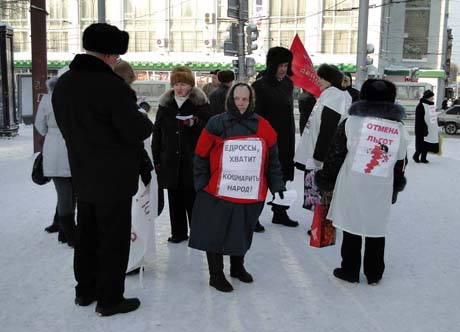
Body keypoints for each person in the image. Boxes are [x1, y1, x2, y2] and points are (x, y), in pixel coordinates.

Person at [52, 23, 153, 316]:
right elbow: (135, 130)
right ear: (109, 54)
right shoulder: (112, 87)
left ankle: (85, 291)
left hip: (82, 173)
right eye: (117, 56)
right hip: (114, 178)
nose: (118, 60)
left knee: (87, 236)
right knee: (113, 239)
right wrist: (142, 115)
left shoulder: (66, 83)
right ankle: (110, 299)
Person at [189, 83, 286, 292]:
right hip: (218, 191)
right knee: (214, 233)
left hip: (250, 192)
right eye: (236, 99)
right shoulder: (216, 123)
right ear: (229, 100)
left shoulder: (263, 126)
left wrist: (278, 185)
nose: (240, 103)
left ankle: (237, 267)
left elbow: (273, 160)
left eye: (245, 99)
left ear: (251, 101)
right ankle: (216, 275)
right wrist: (201, 184)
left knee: (242, 231)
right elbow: (201, 155)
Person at [315, 79, 409, 285]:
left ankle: (350, 269)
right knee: (376, 227)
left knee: (351, 225)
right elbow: (400, 161)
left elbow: (336, 153)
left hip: (353, 183)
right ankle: (374, 272)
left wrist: (326, 179)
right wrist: (396, 185)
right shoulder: (398, 128)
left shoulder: (352, 122)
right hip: (381, 186)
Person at [152, 66, 210, 243]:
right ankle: (178, 233)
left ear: (191, 86)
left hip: (191, 159)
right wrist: (157, 158)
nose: (179, 88)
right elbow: (158, 132)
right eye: (176, 84)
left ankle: (198, 232)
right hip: (170, 160)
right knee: (174, 199)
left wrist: (195, 122)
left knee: (192, 198)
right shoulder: (165, 105)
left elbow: (209, 127)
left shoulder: (200, 104)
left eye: (183, 84)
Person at [252, 46, 298, 228]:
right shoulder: (260, 86)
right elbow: (256, 116)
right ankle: (253, 216)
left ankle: (280, 212)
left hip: (286, 138)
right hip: (266, 141)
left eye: (286, 65)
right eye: (280, 65)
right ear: (271, 64)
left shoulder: (287, 83)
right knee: (262, 178)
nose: (283, 69)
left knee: (282, 177)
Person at [298, 64, 351, 216]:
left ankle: (322, 228)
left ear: (330, 80)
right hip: (319, 152)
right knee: (319, 194)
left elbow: (328, 129)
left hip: (324, 156)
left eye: (321, 78)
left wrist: (318, 157)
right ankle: (320, 224)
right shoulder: (329, 94)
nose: (318, 81)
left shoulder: (334, 96)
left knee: (322, 193)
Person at [35, 77, 76, 247]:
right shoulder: (74, 99)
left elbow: (40, 126)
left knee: (63, 192)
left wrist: (51, 132)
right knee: (73, 191)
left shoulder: (46, 100)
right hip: (73, 148)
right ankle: (69, 233)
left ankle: (65, 232)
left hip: (52, 149)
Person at [413, 90, 440, 163]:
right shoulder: (421, 106)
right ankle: (416, 156)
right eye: (432, 97)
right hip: (422, 129)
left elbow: (431, 117)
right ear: (427, 97)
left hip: (430, 129)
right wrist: (424, 128)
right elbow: (419, 119)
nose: (433, 98)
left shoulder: (430, 105)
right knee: (421, 144)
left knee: (426, 144)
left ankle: (423, 158)